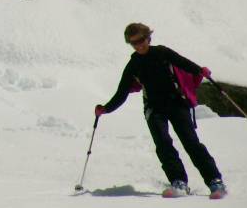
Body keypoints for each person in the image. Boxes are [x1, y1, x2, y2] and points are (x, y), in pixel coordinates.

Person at [94, 23, 227, 198]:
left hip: (177, 103)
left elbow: (183, 62)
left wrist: (200, 71)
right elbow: (122, 92)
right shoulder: (133, 65)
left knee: (191, 142)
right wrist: (106, 108)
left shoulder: (162, 53)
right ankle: (179, 182)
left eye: (141, 40)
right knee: (163, 144)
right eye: (134, 43)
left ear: (148, 37)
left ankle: (215, 182)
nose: (139, 45)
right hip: (154, 108)